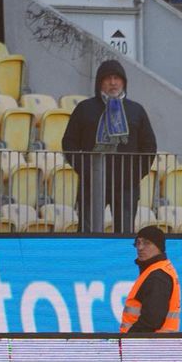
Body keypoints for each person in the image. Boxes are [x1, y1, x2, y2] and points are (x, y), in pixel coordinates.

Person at [61, 58, 158, 232]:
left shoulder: (136, 110)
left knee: (125, 232)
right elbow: (69, 142)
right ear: (100, 83)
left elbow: (149, 145)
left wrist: (136, 173)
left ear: (124, 82)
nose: (113, 83)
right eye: (107, 78)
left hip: (127, 184)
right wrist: (85, 169)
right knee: (88, 231)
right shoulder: (85, 108)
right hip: (92, 181)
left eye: (117, 78)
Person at [120, 225, 180, 333]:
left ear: (159, 247)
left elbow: (152, 321)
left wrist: (128, 338)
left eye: (147, 243)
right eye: (138, 243)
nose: (140, 247)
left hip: (147, 345)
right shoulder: (159, 270)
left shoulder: (157, 276)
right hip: (156, 344)